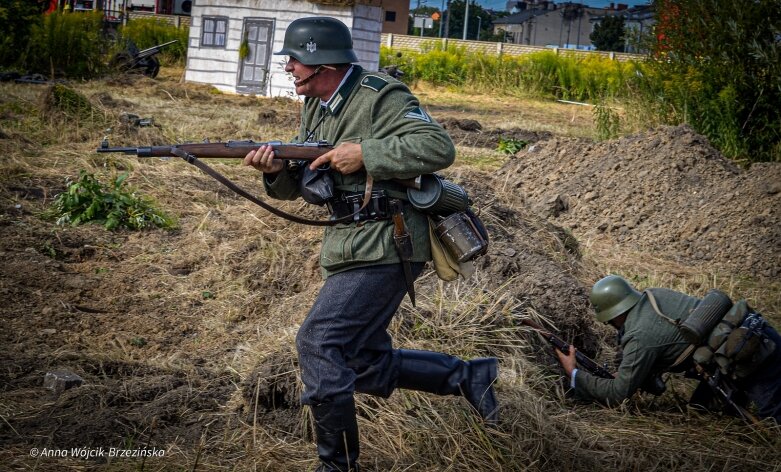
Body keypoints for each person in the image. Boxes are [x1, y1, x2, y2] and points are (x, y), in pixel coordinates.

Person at [242, 17, 498, 472]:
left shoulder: (381, 95)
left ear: (322, 61)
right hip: (348, 245)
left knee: (319, 343)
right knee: (361, 361)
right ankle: (468, 376)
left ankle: (337, 466)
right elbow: (307, 184)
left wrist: (366, 153)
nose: (288, 67)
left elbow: (438, 147)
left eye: (295, 60)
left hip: (388, 240)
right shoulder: (317, 105)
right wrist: (273, 171)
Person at [555, 275, 781, 422]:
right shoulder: (653, 295)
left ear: (614, 314)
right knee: (702, 411)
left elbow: (617, 394)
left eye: (608, 320)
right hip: (754, 329)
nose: (608, 325)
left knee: (774, 421)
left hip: (755, 355)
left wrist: (574, 374)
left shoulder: (639, 336)